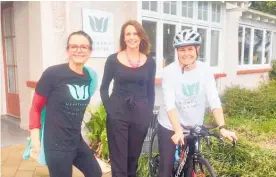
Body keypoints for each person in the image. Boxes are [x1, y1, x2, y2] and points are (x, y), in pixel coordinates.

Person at [157, 29, 238, 177]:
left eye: (190, 49)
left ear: (197, 49)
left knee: (189, 167)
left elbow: (214, 99)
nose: (186, 53)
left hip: (193, 126)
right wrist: (177, 129)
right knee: (165, 170)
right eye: (182, 49)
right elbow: (170, 104)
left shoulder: (205, 70)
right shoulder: (169, 72)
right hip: (170, 126)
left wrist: (223, 128)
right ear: (177, 51)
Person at [26, 30, 102, 177]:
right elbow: (35, 107)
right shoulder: (53, 74)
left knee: (95, 173)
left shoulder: (89, 77)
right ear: (68, 50)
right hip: (56, 146)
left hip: (76, 140)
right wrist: (35, 139)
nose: (78, 50)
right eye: (74, 46)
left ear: (90, 51)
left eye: (83, 47)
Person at [100, 20, 156, 177]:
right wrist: (110, 110)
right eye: (128, 34)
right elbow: (104, 88)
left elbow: (150, 90)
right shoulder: (113, 60)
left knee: (133, 160)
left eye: (135, 33)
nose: (132, 37)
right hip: (118, 115)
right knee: (119, 161)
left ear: (141, 37)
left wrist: (148, 113)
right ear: (123, 38)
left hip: (140, 116)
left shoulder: (150, 62)